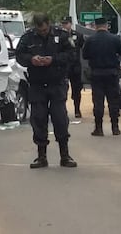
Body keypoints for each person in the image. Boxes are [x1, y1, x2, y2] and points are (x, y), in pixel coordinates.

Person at [15, 13, 77, 169]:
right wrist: (31, 59)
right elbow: (19, 56)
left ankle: (65, 155)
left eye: (44, 29)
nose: (42, 32)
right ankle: (41, 156)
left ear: (48, 24)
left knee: (60, 119)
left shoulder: (61, 35)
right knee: (38, 120)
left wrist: (53, 59)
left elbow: (72, 55)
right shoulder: (28, 37)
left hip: (56, 84)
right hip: (37, 85)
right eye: (39, 30)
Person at [82, 16, 121, 136]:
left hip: (96, 74)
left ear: (95, 26)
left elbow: (85, 55)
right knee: (113, 102)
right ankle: (115, 128)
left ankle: (98, 128)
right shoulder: (114, 39)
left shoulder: (90, 40)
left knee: (98, 102)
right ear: (106, 26)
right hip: (112, 74)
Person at [60, 16, 85, 118]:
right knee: (62, 89)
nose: (65, 25)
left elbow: (83, 47)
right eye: (63, 24)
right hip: (64, 66)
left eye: (66, 23)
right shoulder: (60, 36)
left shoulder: (78, 35)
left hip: (75, 66)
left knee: (77, 89)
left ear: (70, 24)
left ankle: (77, 110)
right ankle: (63, 110)